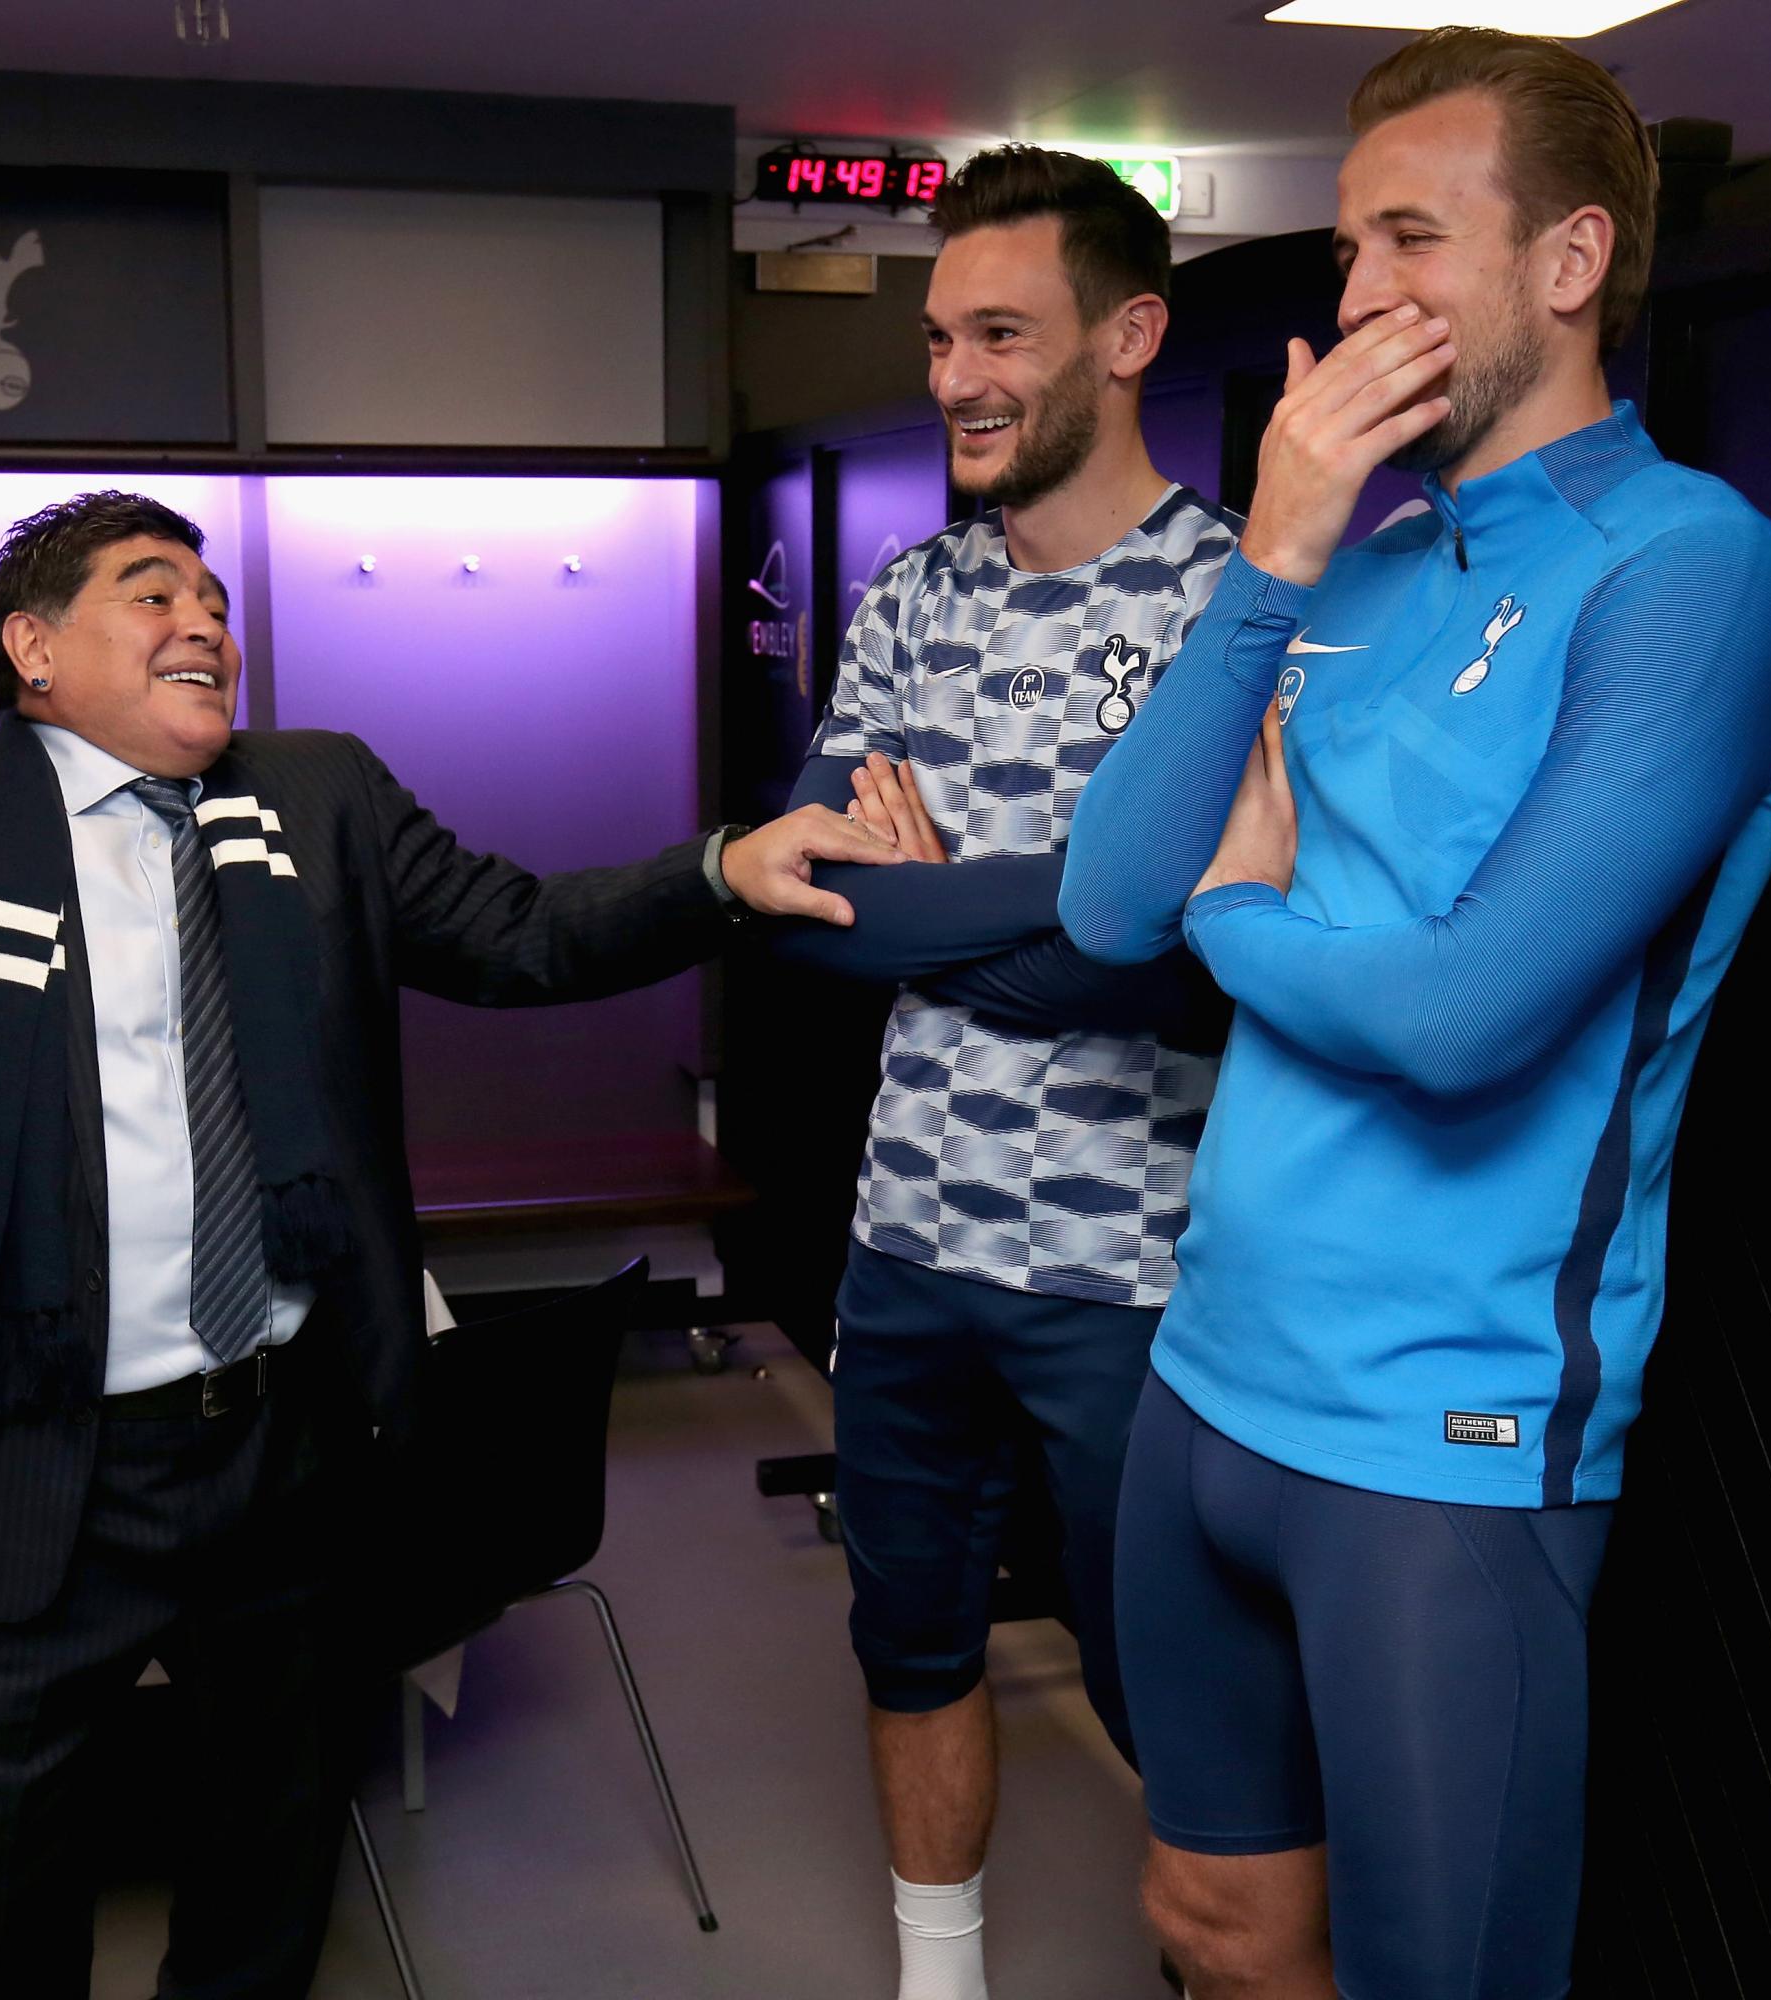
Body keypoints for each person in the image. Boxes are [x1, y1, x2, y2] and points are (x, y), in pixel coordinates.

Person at [0, 489, 895, 1999]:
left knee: (268, 1860)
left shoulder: (322, 796)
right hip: (5, 1458)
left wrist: (721, 871)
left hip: (273, 1452)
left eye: (216, 600)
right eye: (152, 591)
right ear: (33, 650)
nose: (207, 621)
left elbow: (520, 930)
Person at [1057, 28, 1771, 1999]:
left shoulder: (1693, 571)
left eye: (1411, 236)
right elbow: (1102, 892)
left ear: (1566, 265)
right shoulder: (1356, 563)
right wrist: (1273, 548)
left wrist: (1242, 906)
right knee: (1211, 1929)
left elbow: (1463, 1013)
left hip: (1442, 1436)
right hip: (1205, 1379)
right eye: (1342, 249)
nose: (1355, 296)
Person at [772, 145, 1238, 2000]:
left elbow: (1185, 956)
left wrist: (954, 891)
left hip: (1140, 1268)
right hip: (906, 1248)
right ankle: (938, 1983)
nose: (955, 374)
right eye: (942, 333)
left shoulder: (1235, 605)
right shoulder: (908, 597)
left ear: (1130, 337)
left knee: (1165, 1678)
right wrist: (1068, 903)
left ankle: (1233, 1963)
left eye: (1001, 333)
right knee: (910, 1639)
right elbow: (819, 910)